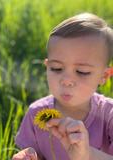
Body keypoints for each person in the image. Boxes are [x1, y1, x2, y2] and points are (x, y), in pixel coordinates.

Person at [12, 12, 113, 160]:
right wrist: (28, 156)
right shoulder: (37, 112)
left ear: (103, 76)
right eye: (56, 68)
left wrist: (87, 155)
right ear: (47, 66)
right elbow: (35, 153)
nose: (66, 80)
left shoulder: (108, 116)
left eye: (81, 71)